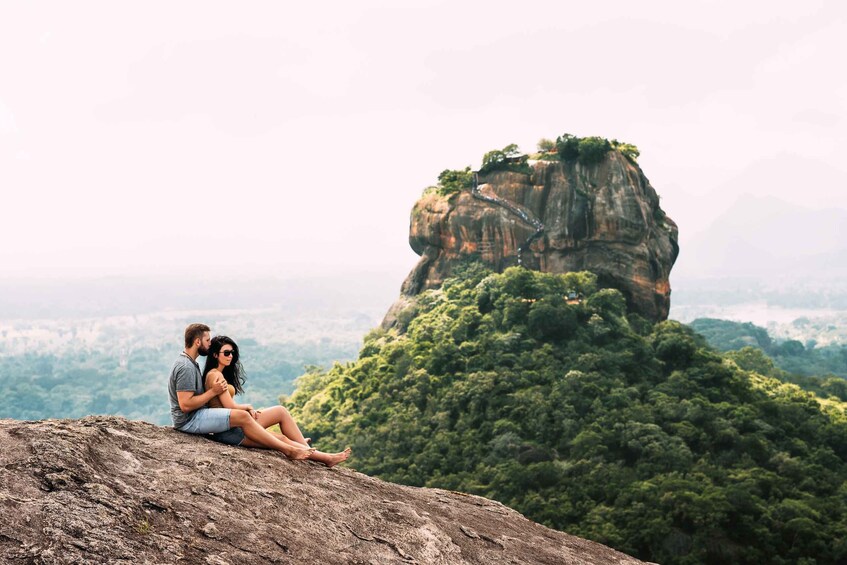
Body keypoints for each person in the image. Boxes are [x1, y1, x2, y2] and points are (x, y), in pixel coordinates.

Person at [167, 323, 314, 460]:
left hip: (198, 416)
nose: (209, 344)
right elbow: (185, 405)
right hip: (189, 420)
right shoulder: (186, 367)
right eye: (207, 340)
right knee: (249, 419)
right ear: (198, 342)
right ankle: (289, 449)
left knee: (276, 413)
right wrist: (213, 392)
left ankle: (301, 447)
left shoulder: (191, 364)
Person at [203, 335, 351, 467]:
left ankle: (303, 445)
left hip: (237, 422)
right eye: (226, 353)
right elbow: (229, 406)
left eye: (232, 353)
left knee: (280, 411)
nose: (230, 356)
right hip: (230, 431)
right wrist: (247, 407)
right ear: (215, 355)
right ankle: (326, 458)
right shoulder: (216, 376)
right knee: (283, 439)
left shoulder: (217, 373)